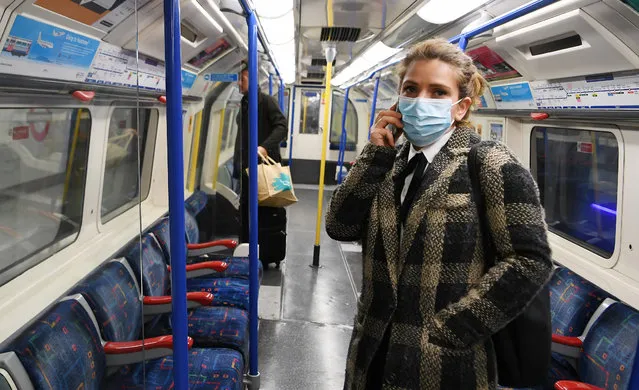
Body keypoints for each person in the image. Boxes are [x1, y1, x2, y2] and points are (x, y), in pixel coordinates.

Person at [325, 38, 553, 390]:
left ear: (460, 107)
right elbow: (339, 225)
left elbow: (530, 260)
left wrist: (454, 329)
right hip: (372, 352)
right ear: (397, 99)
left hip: (444, 363)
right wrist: (375, 155)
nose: (420, 101)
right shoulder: (390, 163)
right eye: (411, 89)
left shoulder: (490, 162)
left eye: (437, 92)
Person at [233, 60, 288, 243]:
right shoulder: (244, 103)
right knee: (246, 210)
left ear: (253, 79)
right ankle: (246, 248)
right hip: (247, 168)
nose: (239, 83)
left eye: (242, 79)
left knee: (265, 211)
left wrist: (264, 146)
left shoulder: (266, 102)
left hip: (263, 168)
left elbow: (282, 127)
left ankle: (264, 252)